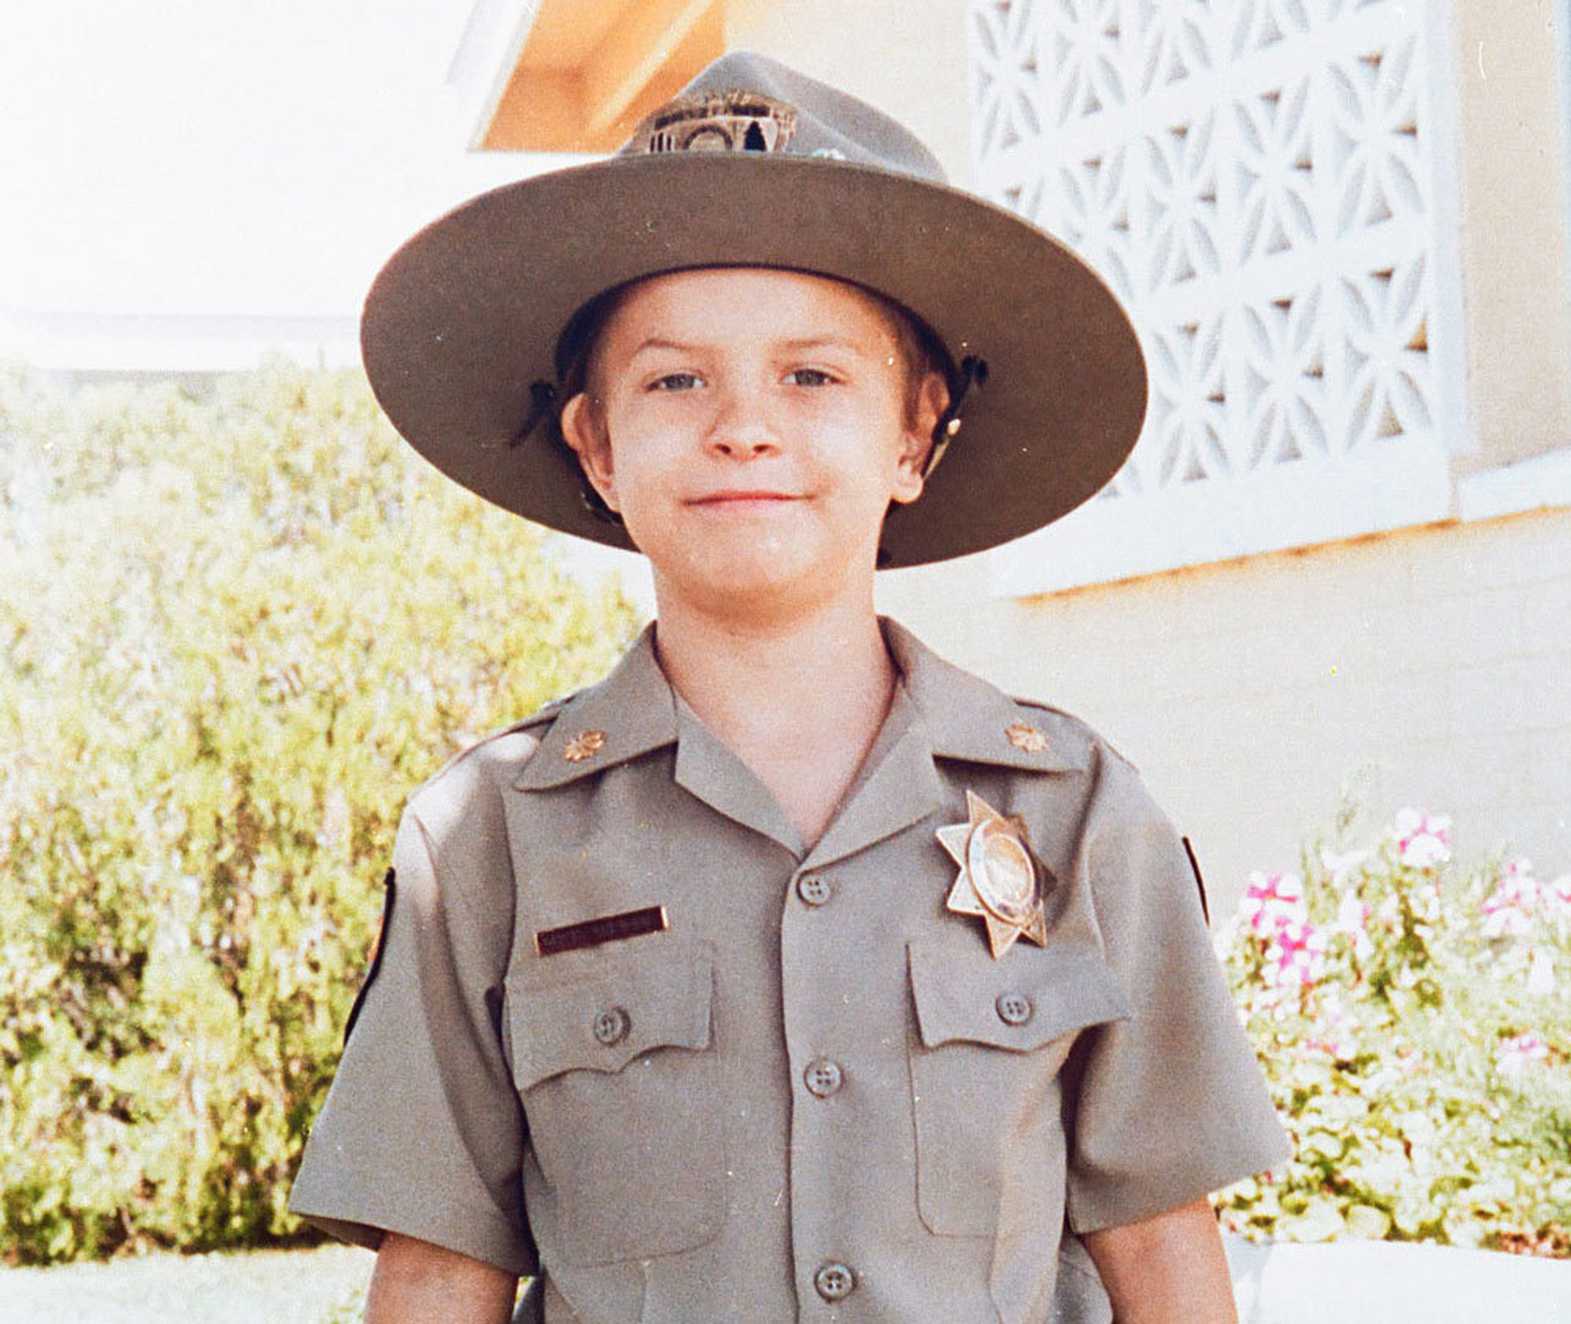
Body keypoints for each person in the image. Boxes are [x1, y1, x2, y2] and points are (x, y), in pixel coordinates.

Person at [288, 51, 1290, 1324]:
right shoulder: (493, 836)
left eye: (811, 375)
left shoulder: (1075, 811)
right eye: (673, 379)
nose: (743, 426)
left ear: (915, 432)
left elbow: (1162, 1250)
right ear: (594, 446)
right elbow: (437, 1271)